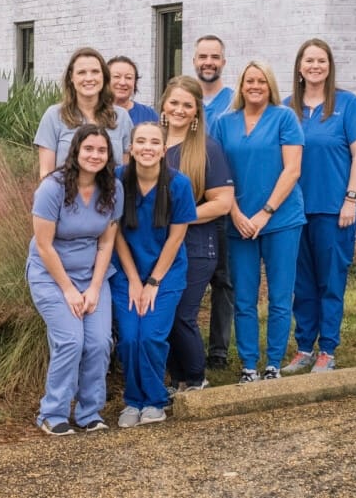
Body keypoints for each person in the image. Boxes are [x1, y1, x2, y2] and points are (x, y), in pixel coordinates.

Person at [211, 61, 306, 383]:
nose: (255, 86)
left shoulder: (284, 117)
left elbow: (292, 169)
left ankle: (273, 364)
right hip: (239, 223)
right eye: (249, 80)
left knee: (280, 295)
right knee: (244, 296)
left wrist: (265, 212)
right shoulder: (224, 123)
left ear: (270, 86)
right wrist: (236, 213)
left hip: (281, 220)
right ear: (240, 85)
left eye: (261, 81)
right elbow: (218, 174)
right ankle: (250, 364)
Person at [282, 39, 356, 374]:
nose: (315, 66)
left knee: (330, 281)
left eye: (321, 60)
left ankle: (328, 350)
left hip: (335, 209)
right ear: (300, 67)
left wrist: (351, 197)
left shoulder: (347, 105)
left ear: (329, 66)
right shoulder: (287, 107)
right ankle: (304, 347)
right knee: (301, 283)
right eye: (309, 60)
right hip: (293, 210)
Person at [27, 124, 124, 434]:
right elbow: (43, 244)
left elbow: (107, 242)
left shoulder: (113, 189)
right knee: (71, 340)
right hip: (51, 277)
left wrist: (95, 287)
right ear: (76, 151)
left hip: (92, 276)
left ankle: (89, 413)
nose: (94, 155)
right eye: (89, 149)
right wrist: (69, 290)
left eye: (101, 150)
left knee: (98, 342)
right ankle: (52, 414)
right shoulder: (53, 187)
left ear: (109, 156)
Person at [111, 122, 195, 427]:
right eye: (141, 142)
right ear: (131, 148)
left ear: (163, 149)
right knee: (131, 338)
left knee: (151, 337)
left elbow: (176, 238)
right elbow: (115, 234)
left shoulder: (179, 184)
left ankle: (155, 401)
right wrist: (134, 280)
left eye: (154, 142)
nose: (147, 147)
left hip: (166, 274)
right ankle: (134, 401)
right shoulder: (118, 180)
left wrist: (153, 282)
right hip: (126, 274)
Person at [159, 76, 234, 392]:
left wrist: (180, 217)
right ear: (163, 105)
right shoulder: (148, 143)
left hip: (195, 247)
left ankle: (194, 377)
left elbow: (223, 203)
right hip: (154, 248)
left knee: (181, 314)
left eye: (187, 105)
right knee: (162, 316)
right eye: (174, 102)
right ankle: (176, 380)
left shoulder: (207, 148)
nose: (179, 109)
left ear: (196, 113)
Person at [193, 34, 236, 369]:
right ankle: (183, 340)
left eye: (215, 57)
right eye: (203, 56)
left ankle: (218, 350)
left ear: (223, 61)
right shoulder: (185, 98)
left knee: (223, 279)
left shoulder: (232, 103)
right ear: (194, 61)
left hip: (222, 200)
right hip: (188, 204)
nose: (208, 62)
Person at [35, 47, 133, 178]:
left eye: (95, 72)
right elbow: (46, 173)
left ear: (103, 76)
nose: (89, 78)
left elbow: (126, 172)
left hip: (110, 196)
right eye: (81, 72)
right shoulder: (54, 116)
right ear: (71, 77)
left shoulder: (121, 117)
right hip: (65, 196)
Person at [108, 56, 159, 125]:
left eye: (128, 78)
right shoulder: (96, 113)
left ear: (135, 82)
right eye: (116, 76)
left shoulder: (148, 114)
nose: (122, 82)